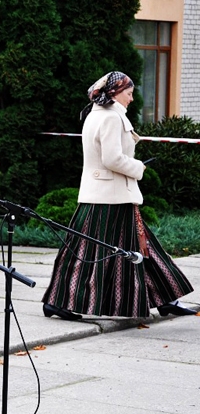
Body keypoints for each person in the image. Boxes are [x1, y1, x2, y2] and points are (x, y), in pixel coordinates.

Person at [42, 71, 195, 319]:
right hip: (110, 196)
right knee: (99, 251)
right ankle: (58, 302)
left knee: (135, 248)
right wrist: (138, 168)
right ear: (115, 93)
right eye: (129, 93)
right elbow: (111, 158)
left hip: (103, 194)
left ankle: (167, 299)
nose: (132, 99)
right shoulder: (111, 117)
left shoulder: (96, 114)